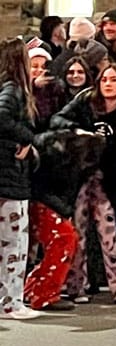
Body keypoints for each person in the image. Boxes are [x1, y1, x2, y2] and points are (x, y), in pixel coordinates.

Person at [51, 64, 116, 303]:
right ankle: (76, 286)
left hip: (108, 179)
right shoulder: (85, 103)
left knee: (108, 232)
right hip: (81, 175)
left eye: (113, 80)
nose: (108, 84)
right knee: (77, 232)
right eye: (104, 80)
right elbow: (57, 120)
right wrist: (79, 132)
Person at [0, 38, 41, 319]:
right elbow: (2, 118)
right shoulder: (13, 90)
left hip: (10, 177)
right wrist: (27, 138)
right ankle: (10, 303)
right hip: (10, 178)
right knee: (14, 244)